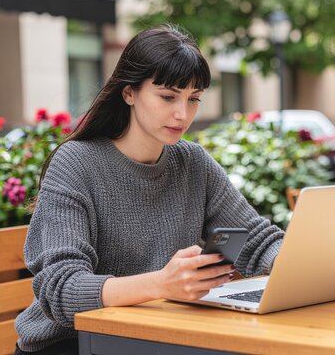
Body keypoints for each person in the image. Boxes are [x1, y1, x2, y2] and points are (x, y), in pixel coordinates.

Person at [15, 24, 284, 354]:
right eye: (168, 96)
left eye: (193, 99)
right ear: (129, 93)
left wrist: (306, 264)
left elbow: (255, 240)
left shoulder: (192, 161)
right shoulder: (76, 164)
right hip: (72, 343)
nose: (182, 114)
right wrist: (162, 283)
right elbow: (62, 290)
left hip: (155, 336)